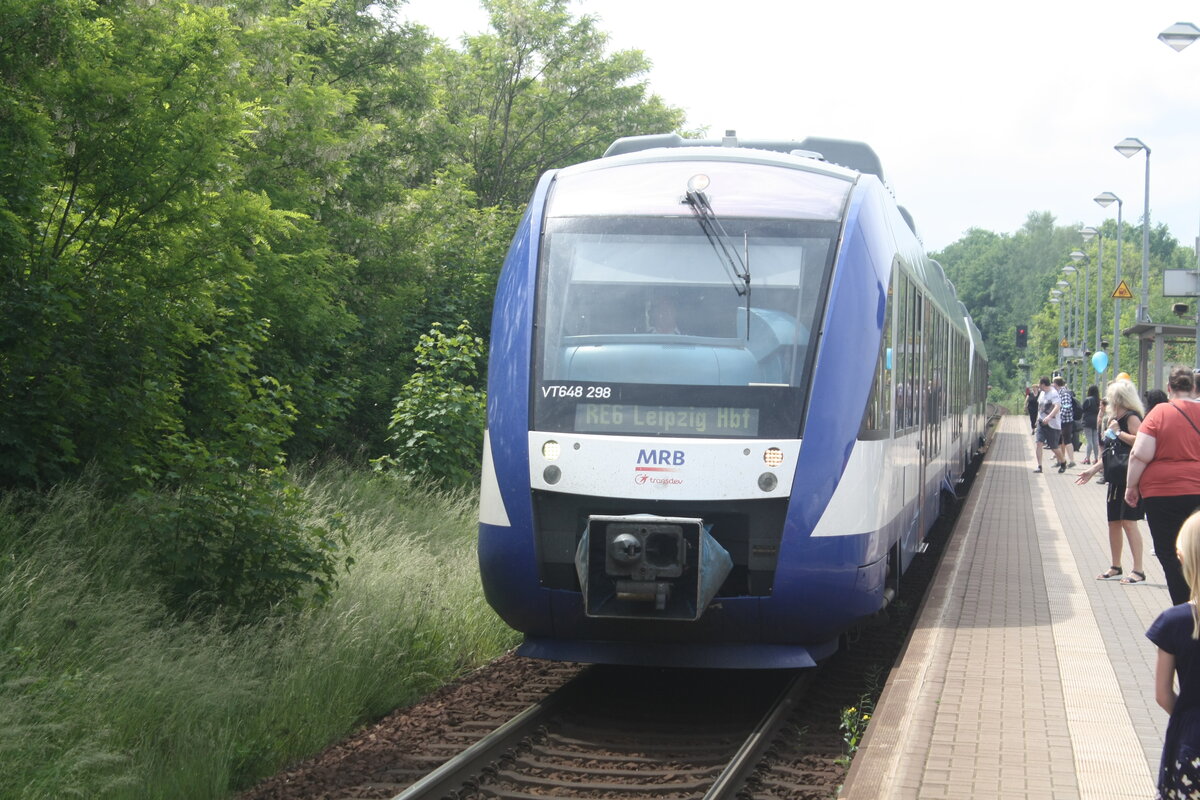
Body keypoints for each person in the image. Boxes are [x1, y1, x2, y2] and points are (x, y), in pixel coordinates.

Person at [1126, 367, 1200, 604]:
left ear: (1169, 388)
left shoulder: (1159, 412)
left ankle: (1183, 606)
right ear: (1194, 388)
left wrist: (1131, 486)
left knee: (1168, 551)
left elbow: (1139, 454)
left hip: (1162, 494)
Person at [1146, 509, 1200, 798]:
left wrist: (1187, 717)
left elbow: (1163, 694)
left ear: (1183, 557)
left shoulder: (1175, 622)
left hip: (1192, 738)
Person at [1075, 379, 1146, 583]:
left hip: (1130, 477)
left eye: (1110, 396)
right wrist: (1092, 470)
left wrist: (1119, 432)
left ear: (1119, 398)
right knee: (1113, 521)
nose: (1107, 401)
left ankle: (1138, 569)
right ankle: (1116, 565)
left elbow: (1141, 440)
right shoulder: (1114, 419)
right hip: (1116, 477)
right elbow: (1109, 452)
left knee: (1129, 522)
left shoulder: (1131, 417)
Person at [1033, 376, 1063, 474]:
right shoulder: (1042, 393)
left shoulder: (1053, 393)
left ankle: (1063, 462)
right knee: (1039, 443)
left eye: (1039, 384)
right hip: (1041, 422)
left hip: (1053, 424)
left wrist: (1049, 417)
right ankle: (1039, 466)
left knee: (1054, 447)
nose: (1038, 386)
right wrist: (1038, 419)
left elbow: (1057, 407)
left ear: (1043, 384)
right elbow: (1040, 407)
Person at [1054, 376, 1076, 468]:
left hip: (1065, 421)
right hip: (1063, 421)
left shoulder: (1064, 393)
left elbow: (1067, 406)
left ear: (1056, 384)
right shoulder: (1061, 392)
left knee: (1067, 440)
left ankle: (1071, 461)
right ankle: (1061, 460)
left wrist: (1059, 416)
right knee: (1060, 441)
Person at [1081, 385, 1101, 465]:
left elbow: (1082, 409)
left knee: (1089, 441)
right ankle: (1096, 458)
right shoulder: (1099, 401)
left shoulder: (1088, 400)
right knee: (1095, 441)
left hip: (1088, 422)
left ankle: (1087, 458)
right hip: (1096, 421)